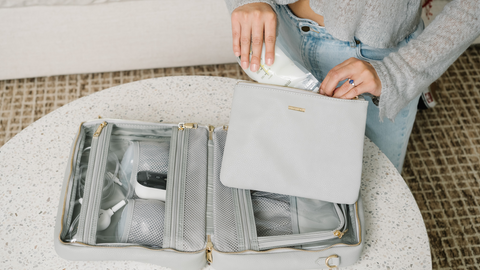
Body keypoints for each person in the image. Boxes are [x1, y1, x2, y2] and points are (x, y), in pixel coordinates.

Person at [224, 0, 480, 172]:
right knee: (287, 166)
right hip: (280, 31)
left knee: (372, 184)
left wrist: (399, 71)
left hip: (376, 55)